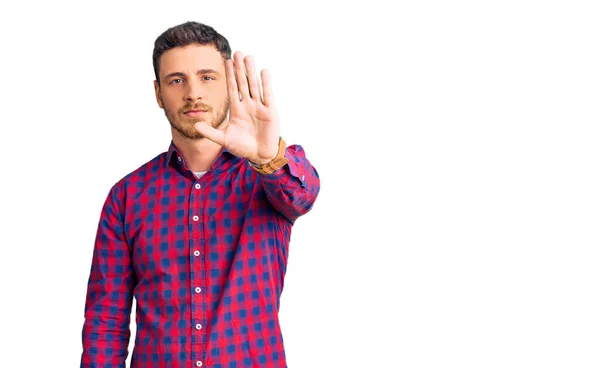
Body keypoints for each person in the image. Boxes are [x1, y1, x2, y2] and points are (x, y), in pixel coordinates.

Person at [80, 21, 320, 368]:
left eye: (207, 77)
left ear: (229, 85)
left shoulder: (266, 176)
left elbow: (303, 194)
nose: (193, 92)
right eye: (177, 80)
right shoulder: (127, 195)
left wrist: (267, 158)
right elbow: (106, 320)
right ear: (158, 93)